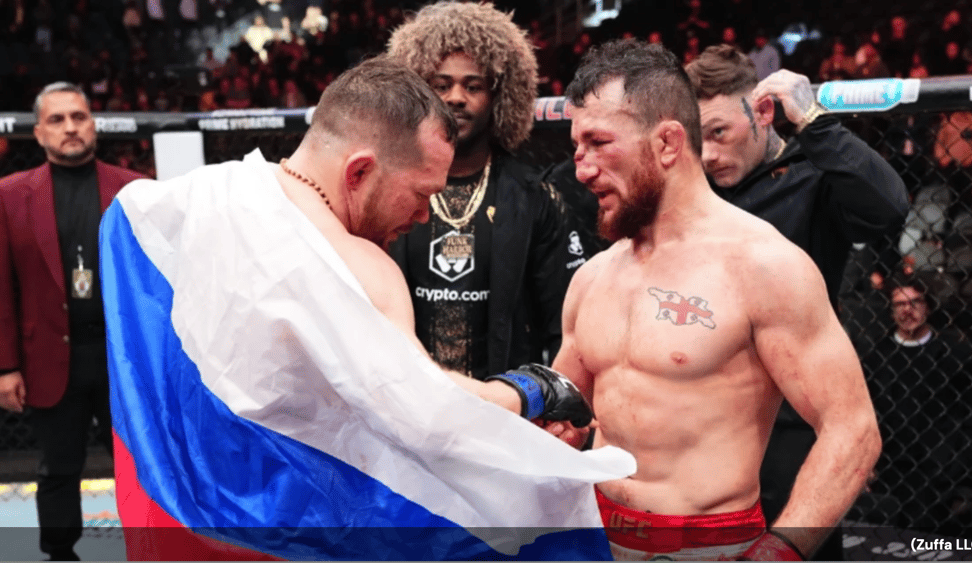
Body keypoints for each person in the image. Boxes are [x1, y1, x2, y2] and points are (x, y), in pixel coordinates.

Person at [102, 57, 626, 561]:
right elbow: (427, 415)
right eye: (421, 193)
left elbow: (130, 243)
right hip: (287, 535)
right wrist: (531, 391)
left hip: (175, 524)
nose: (425, 215)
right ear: (359, 172)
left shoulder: (178, 205)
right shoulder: (359, 266)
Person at [548, 38, 880, 561]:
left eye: (598, 143)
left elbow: (853, 429)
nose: (582, 169)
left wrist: (782, 550)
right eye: (577, 147)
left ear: (667, 143)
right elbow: (563, 415)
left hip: (712, 546)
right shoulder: (592, 277)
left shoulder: (763, 265)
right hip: (596, 538)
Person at [685, 45, 907, 560]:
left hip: (790, 422)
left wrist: (814, 121)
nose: (708, 154)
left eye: (719, 133)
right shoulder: (694, 189)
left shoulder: (812, 178)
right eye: (698, 139)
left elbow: (889, 207)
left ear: (762, 113)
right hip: (703, 422)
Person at [386, 1, 579, 380]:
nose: (456, 97)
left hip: (504, 405)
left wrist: (541, 401)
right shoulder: (389, 191)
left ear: (499, 97)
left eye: (473, 86)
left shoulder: (536, 197)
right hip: (405, 402)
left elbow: (563, 330)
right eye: (441, 85)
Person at [0, 82, 146, 561]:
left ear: (94, 125)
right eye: (57, 120)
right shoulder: (9, 195)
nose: (70, 128)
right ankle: (60, 553)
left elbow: (154, 283)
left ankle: (149, 547)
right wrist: (5, 367)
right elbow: (2, 289)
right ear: (39, 133)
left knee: (139, 466)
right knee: (58, 468)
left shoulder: (134, 189)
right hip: (47, 354)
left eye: (79, 117)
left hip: (121, 359)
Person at [863, 273, 972, 535]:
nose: (907, 310)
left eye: (915, 302)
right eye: (900, 304)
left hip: (938, 472)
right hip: (888, 466)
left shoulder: (954, 354)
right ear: (891, 310)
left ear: (928, 306)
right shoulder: (877, 356)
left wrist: (959, 471)